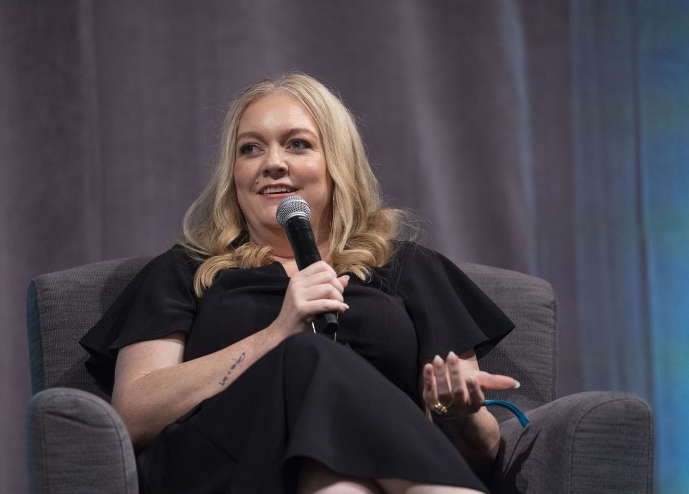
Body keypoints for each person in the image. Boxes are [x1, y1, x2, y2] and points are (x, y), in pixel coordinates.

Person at [81, 72, 519, 493]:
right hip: (222, 471)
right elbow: (133, 416)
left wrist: (453, 413)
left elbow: (482, 449)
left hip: (368, 473)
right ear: (233, 174)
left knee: (338, 481)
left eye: (297, 144)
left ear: (336, 163)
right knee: (309, 353)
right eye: (250, 149)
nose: (273, 163)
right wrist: (276, 336)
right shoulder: (187, 271)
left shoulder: (410, 269)